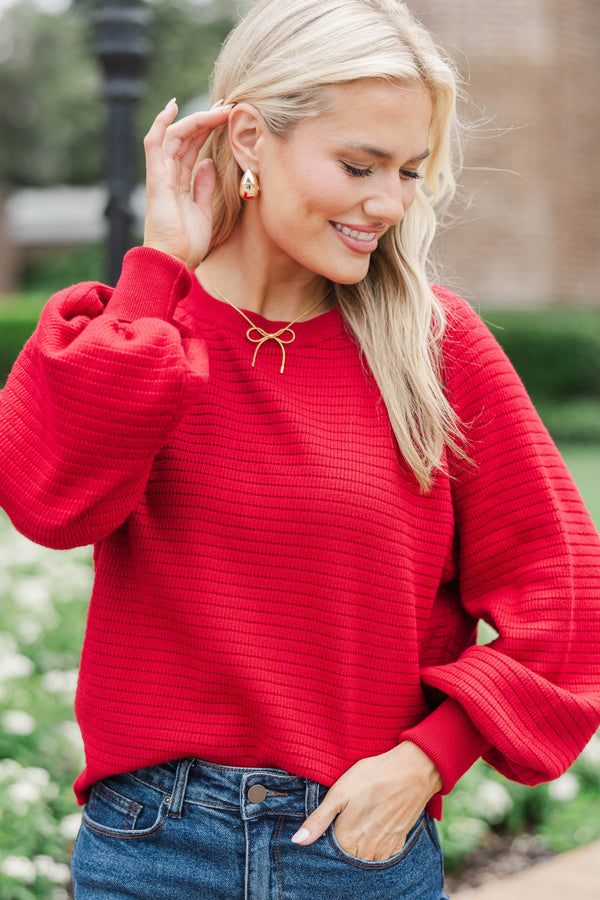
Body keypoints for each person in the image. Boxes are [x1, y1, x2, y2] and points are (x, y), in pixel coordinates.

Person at [1, 0, 599, 897]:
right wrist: (158, 269)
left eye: (408, 171)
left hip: (358, 853)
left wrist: (428, 760)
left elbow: (567, 598)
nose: (387, 202)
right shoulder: (131, 332)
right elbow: (52, 503)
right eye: (358, 165)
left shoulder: (435, 350)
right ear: (248, 136)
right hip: (149, 850)